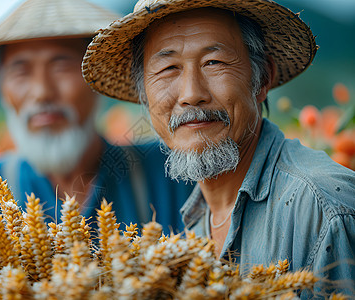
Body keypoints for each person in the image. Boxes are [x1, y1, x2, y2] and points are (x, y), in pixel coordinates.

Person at [82, 0, 355, 296]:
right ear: (145, 98)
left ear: (262, 78)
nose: (191, 94)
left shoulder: (324, 209)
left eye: (214, 63)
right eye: (168, 68)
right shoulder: (196, 220)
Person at [0, 0, 193, 239]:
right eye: (21, 71)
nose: (42, 92)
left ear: (98, 77)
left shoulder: (171, 173)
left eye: (61, 66)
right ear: (2, 87)